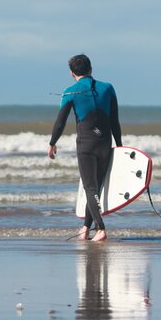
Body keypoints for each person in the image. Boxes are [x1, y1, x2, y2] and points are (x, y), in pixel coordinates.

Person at [47, 54, 123, 242]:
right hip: (105, 144)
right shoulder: (108, 88)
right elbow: (114, 121)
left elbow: (60, 122)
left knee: (90, 188)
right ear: (91, 69)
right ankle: (85, 228)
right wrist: (119, 146)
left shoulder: (71, 91)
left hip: (86, 146)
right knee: (95, 188)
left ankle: (101, 228)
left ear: (72, 73)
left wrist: (52, 142)